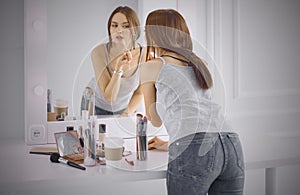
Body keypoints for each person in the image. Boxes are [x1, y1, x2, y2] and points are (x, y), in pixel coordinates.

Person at [140, 9, 245, 194]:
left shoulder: (151, 66)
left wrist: (144, 76)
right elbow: (200, 113)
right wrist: (168, 143)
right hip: (230, 143)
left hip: (194, 148)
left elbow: (154, 119)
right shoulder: (197, 63)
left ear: (153, 35)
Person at [83, 6, 145, 116]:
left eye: (125, 26)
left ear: (134, 30)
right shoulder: (99, 52)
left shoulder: (144, 54)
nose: (119, 30)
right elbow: (109, 97)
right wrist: (118, 69)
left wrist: (128, 112)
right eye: (114, 25)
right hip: (95, 105)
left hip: (125, 107)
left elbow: (140, 91)